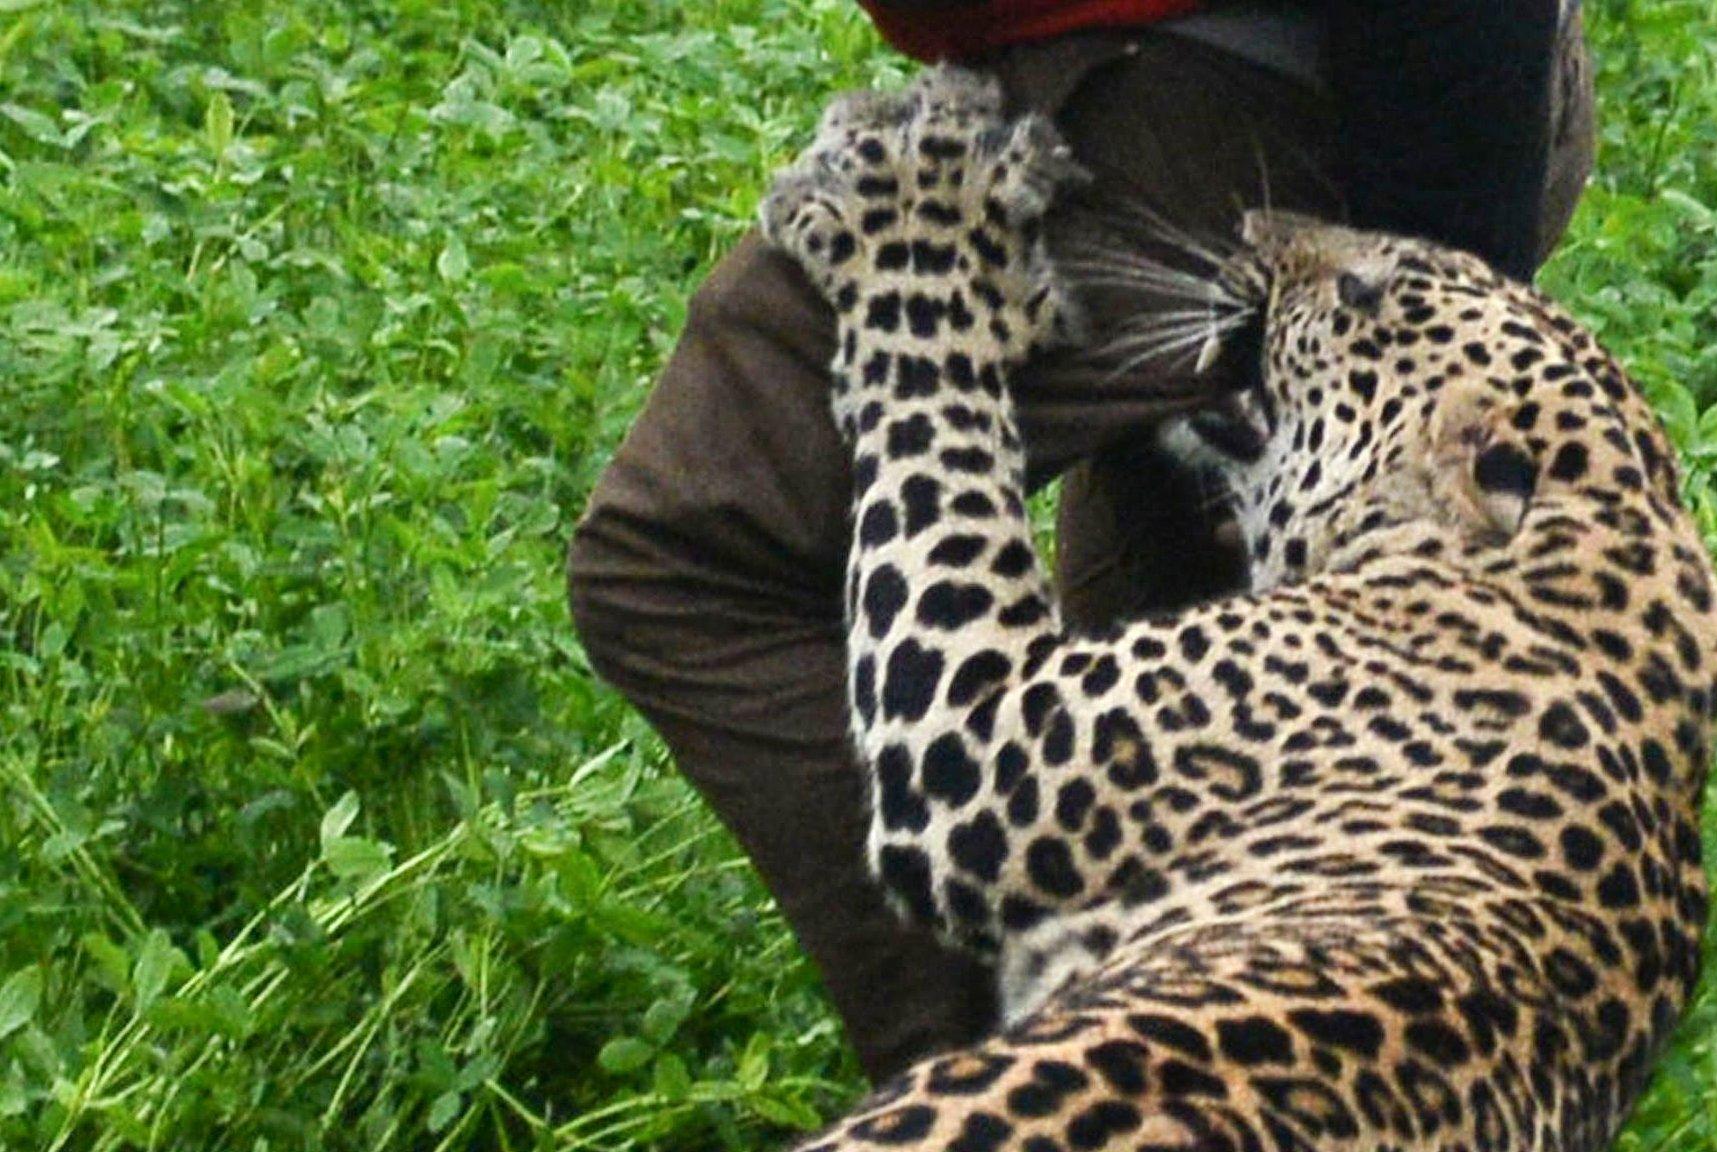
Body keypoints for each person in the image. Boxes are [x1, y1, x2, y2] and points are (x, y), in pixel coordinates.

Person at [567, 0, 1596, 1083]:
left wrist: (1424, 337)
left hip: (1284, 96)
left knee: (687, 550)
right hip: (1273, 82)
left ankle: (1039, 1092)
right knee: (1178, 734)